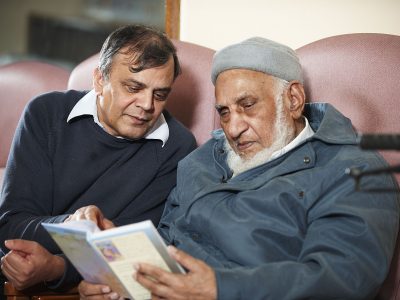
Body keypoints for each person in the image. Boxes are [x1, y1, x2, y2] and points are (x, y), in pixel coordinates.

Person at [79, 37, 398, 300]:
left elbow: (342, 280)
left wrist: (220, 288)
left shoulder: (353, 169)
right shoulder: (201, 160)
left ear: (293, 99)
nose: (233, 128)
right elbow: (168, 244)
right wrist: (119, 272)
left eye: (248, 106)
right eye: (225, 113)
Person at [0, 24, 196, 294]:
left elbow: (127, 256)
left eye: (160, 94)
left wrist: (56, 268)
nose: (147, 105)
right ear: (99, 80)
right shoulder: (45, 113)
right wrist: (72, 224)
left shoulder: (177, 146)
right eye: (133, 87)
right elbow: (11, 227)